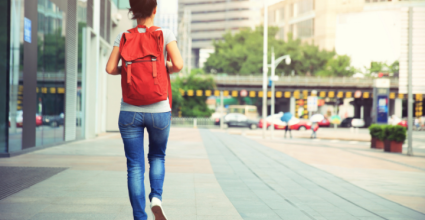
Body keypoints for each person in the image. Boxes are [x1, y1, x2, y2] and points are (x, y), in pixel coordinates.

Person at [106, 0, 183, 219]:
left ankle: (140, 217)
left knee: (135, 166)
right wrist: (163, 66)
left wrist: (130, 69)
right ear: (155, 9)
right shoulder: (164, 34)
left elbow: (110, 68)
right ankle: (156, 198)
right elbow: (178, 64)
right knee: (157, 156)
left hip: (129, 110)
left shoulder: (123, 37)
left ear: (132, 10)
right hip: (159, 109)